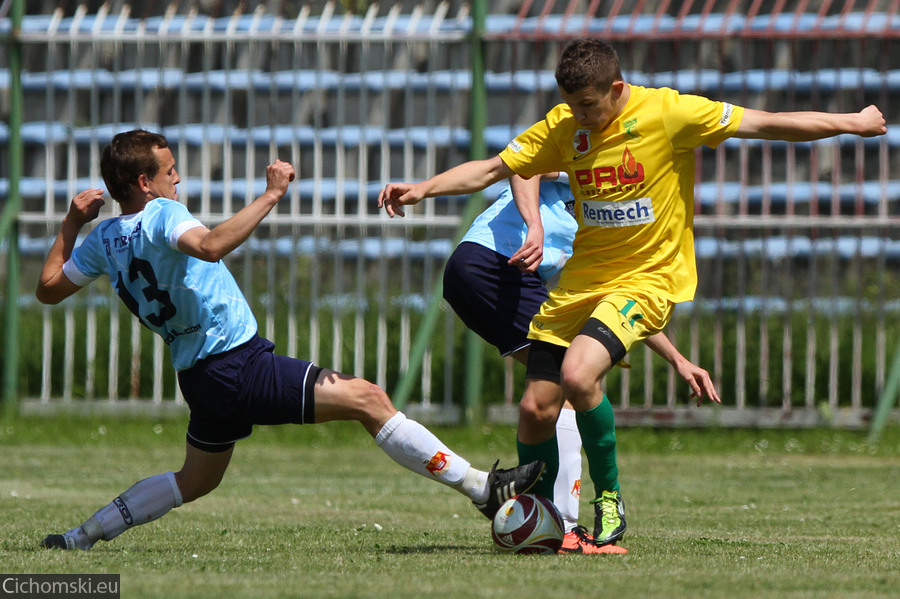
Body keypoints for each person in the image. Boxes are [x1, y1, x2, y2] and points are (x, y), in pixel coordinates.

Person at [378, 38, 887, 551]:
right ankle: (554, 523)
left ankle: (610, 498)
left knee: (578, 375)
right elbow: (497, 168)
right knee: (536, 408)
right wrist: (424, 188)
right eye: (571, 105)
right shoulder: (566, 125)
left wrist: (853, 122)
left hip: (647, 277)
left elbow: (768, 121)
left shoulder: (669, 112)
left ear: (616, 88)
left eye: (588, 105)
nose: (578, 115)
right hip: (582, 281)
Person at [35, 129, 544, 551]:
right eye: (170, 172)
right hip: (235, 364)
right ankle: (482, 487)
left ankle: (80, 538)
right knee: (367, 398)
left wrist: (71, 223)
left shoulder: (102, 238)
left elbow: (48, 289)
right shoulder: (162, 214)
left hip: (200, 374)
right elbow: (211, 246)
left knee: (196, 480)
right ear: (145, 182)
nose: (179, 179)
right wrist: (272, 195)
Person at [442, 173, 720, 554]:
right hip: (495, 266)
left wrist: (678, 359)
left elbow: (611, 296)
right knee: (569, 388)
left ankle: (539, 511)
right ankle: (564, 527)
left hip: (477, 271)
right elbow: (526, 167)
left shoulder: (592, 230)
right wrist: (535, 227)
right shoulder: (581, 162)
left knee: (556, 390)